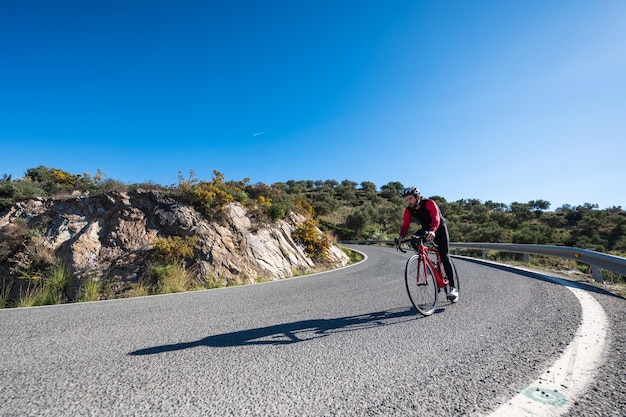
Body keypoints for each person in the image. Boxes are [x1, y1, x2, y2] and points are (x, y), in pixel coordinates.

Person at [395, 186, 459, 302]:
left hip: (439, 228)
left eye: (410, 199)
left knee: (444, 256)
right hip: (426, 229)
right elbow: (405, 226)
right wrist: (400, 238)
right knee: (414, 239)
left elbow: (436, 218)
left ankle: (453, 288)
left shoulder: (429, 203)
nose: (408, 202)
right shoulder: (408, 210)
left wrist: (433, 231)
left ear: (417, 197)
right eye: (406, 200)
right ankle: (428, 262)